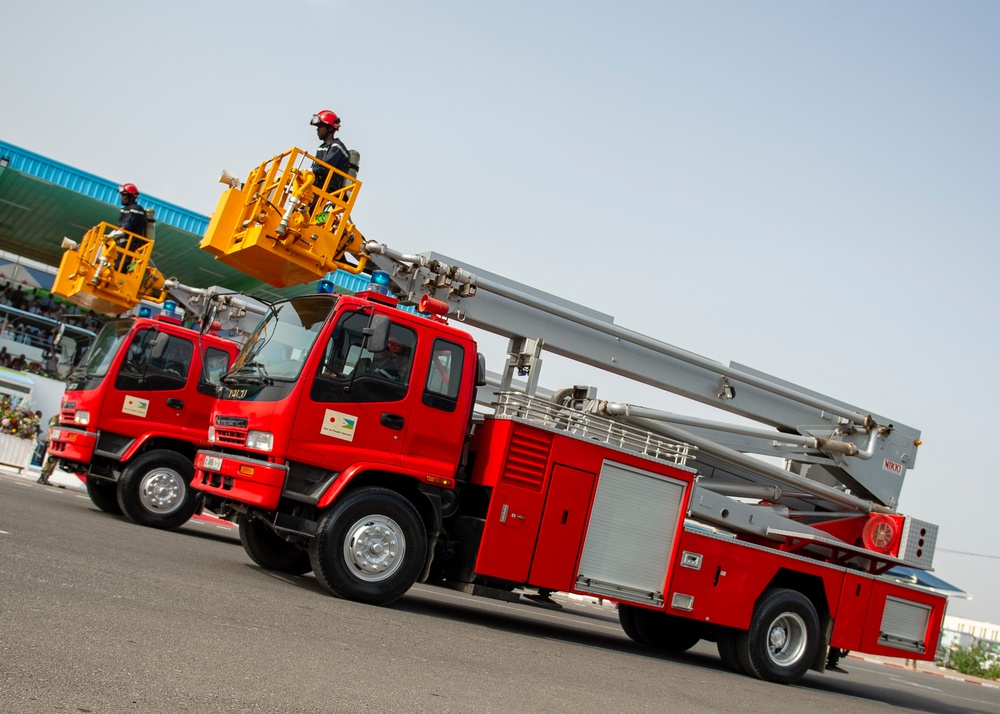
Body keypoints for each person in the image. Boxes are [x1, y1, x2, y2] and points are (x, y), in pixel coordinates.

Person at [309, 110, 350, 194]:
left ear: (330, 128)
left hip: (329, 191)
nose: (317, 130)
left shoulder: (337, 147)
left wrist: (309, 170)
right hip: (318, 187)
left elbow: (324, 167)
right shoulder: (321, 148)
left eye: (320, 127)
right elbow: (316, 167)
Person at [112, 183, 148, 272]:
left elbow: (126, 227)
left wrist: (112, 235)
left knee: (119, 268)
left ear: (131, 196)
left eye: (124, 195)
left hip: (129, 246)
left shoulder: (137, 209)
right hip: (121, 245)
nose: (121, 197)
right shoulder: (125, 210)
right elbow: (119, 228)